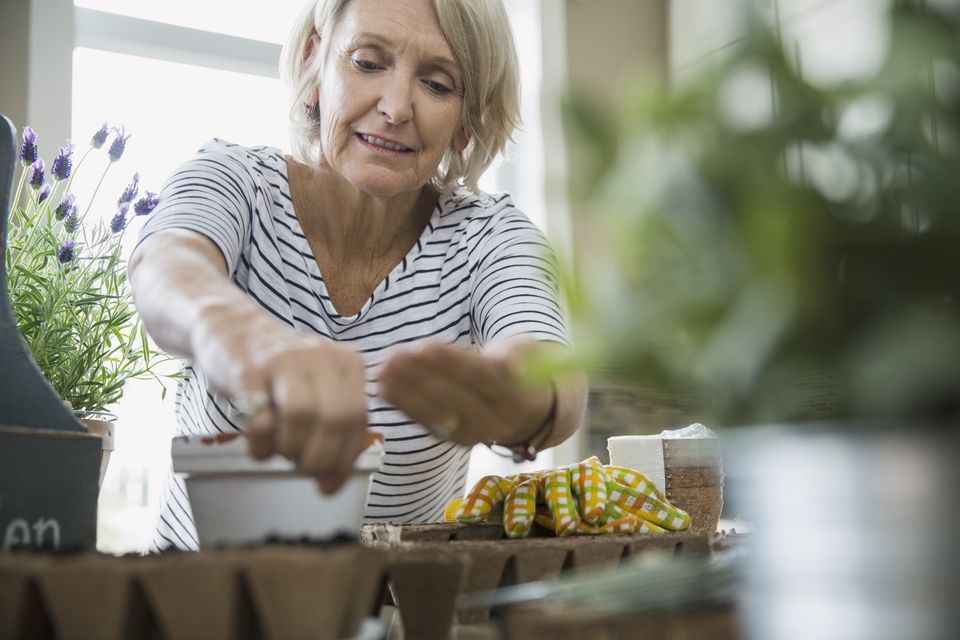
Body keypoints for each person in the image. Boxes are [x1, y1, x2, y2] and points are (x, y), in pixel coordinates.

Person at [129, 0, 588, 552]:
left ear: (467, 121)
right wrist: (235, 332)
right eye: (368, 63)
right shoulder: (236, 182)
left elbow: (550, 369)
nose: (395, 107)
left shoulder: (490, 238)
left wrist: (520, 400)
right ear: (314, 59)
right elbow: (166, 268)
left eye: (438, 84)